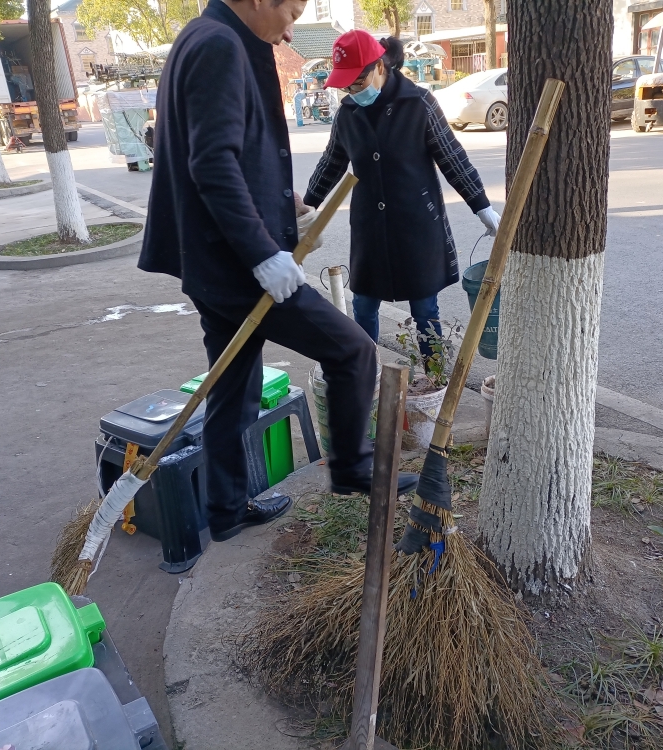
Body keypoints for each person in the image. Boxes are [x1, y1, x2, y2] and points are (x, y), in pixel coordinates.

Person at [138, 0, 417, 543]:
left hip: (212, 259)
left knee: (233, 387)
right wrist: (262, 252)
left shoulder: (204, 35)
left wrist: (277, 198)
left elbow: (226, 151)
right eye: (291, 11)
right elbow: (211, 162)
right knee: (353, 350)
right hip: (235, 265)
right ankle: (353, 469)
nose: (293, 27)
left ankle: (226, 508)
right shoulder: (219, 44)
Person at [304, 31, 500, 360]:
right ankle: (365, 376)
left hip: (416, 226)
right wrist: (306, 210)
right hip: (370, 228)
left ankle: (435, 378)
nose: (352, 92)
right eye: (346, 86)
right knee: (364, 306)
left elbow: (451, 157)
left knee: (425, 310)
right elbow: (330, 165)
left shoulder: (418, 103)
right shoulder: (348, 113)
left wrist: (481, 206)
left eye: (358, 82)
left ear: (380, 66)